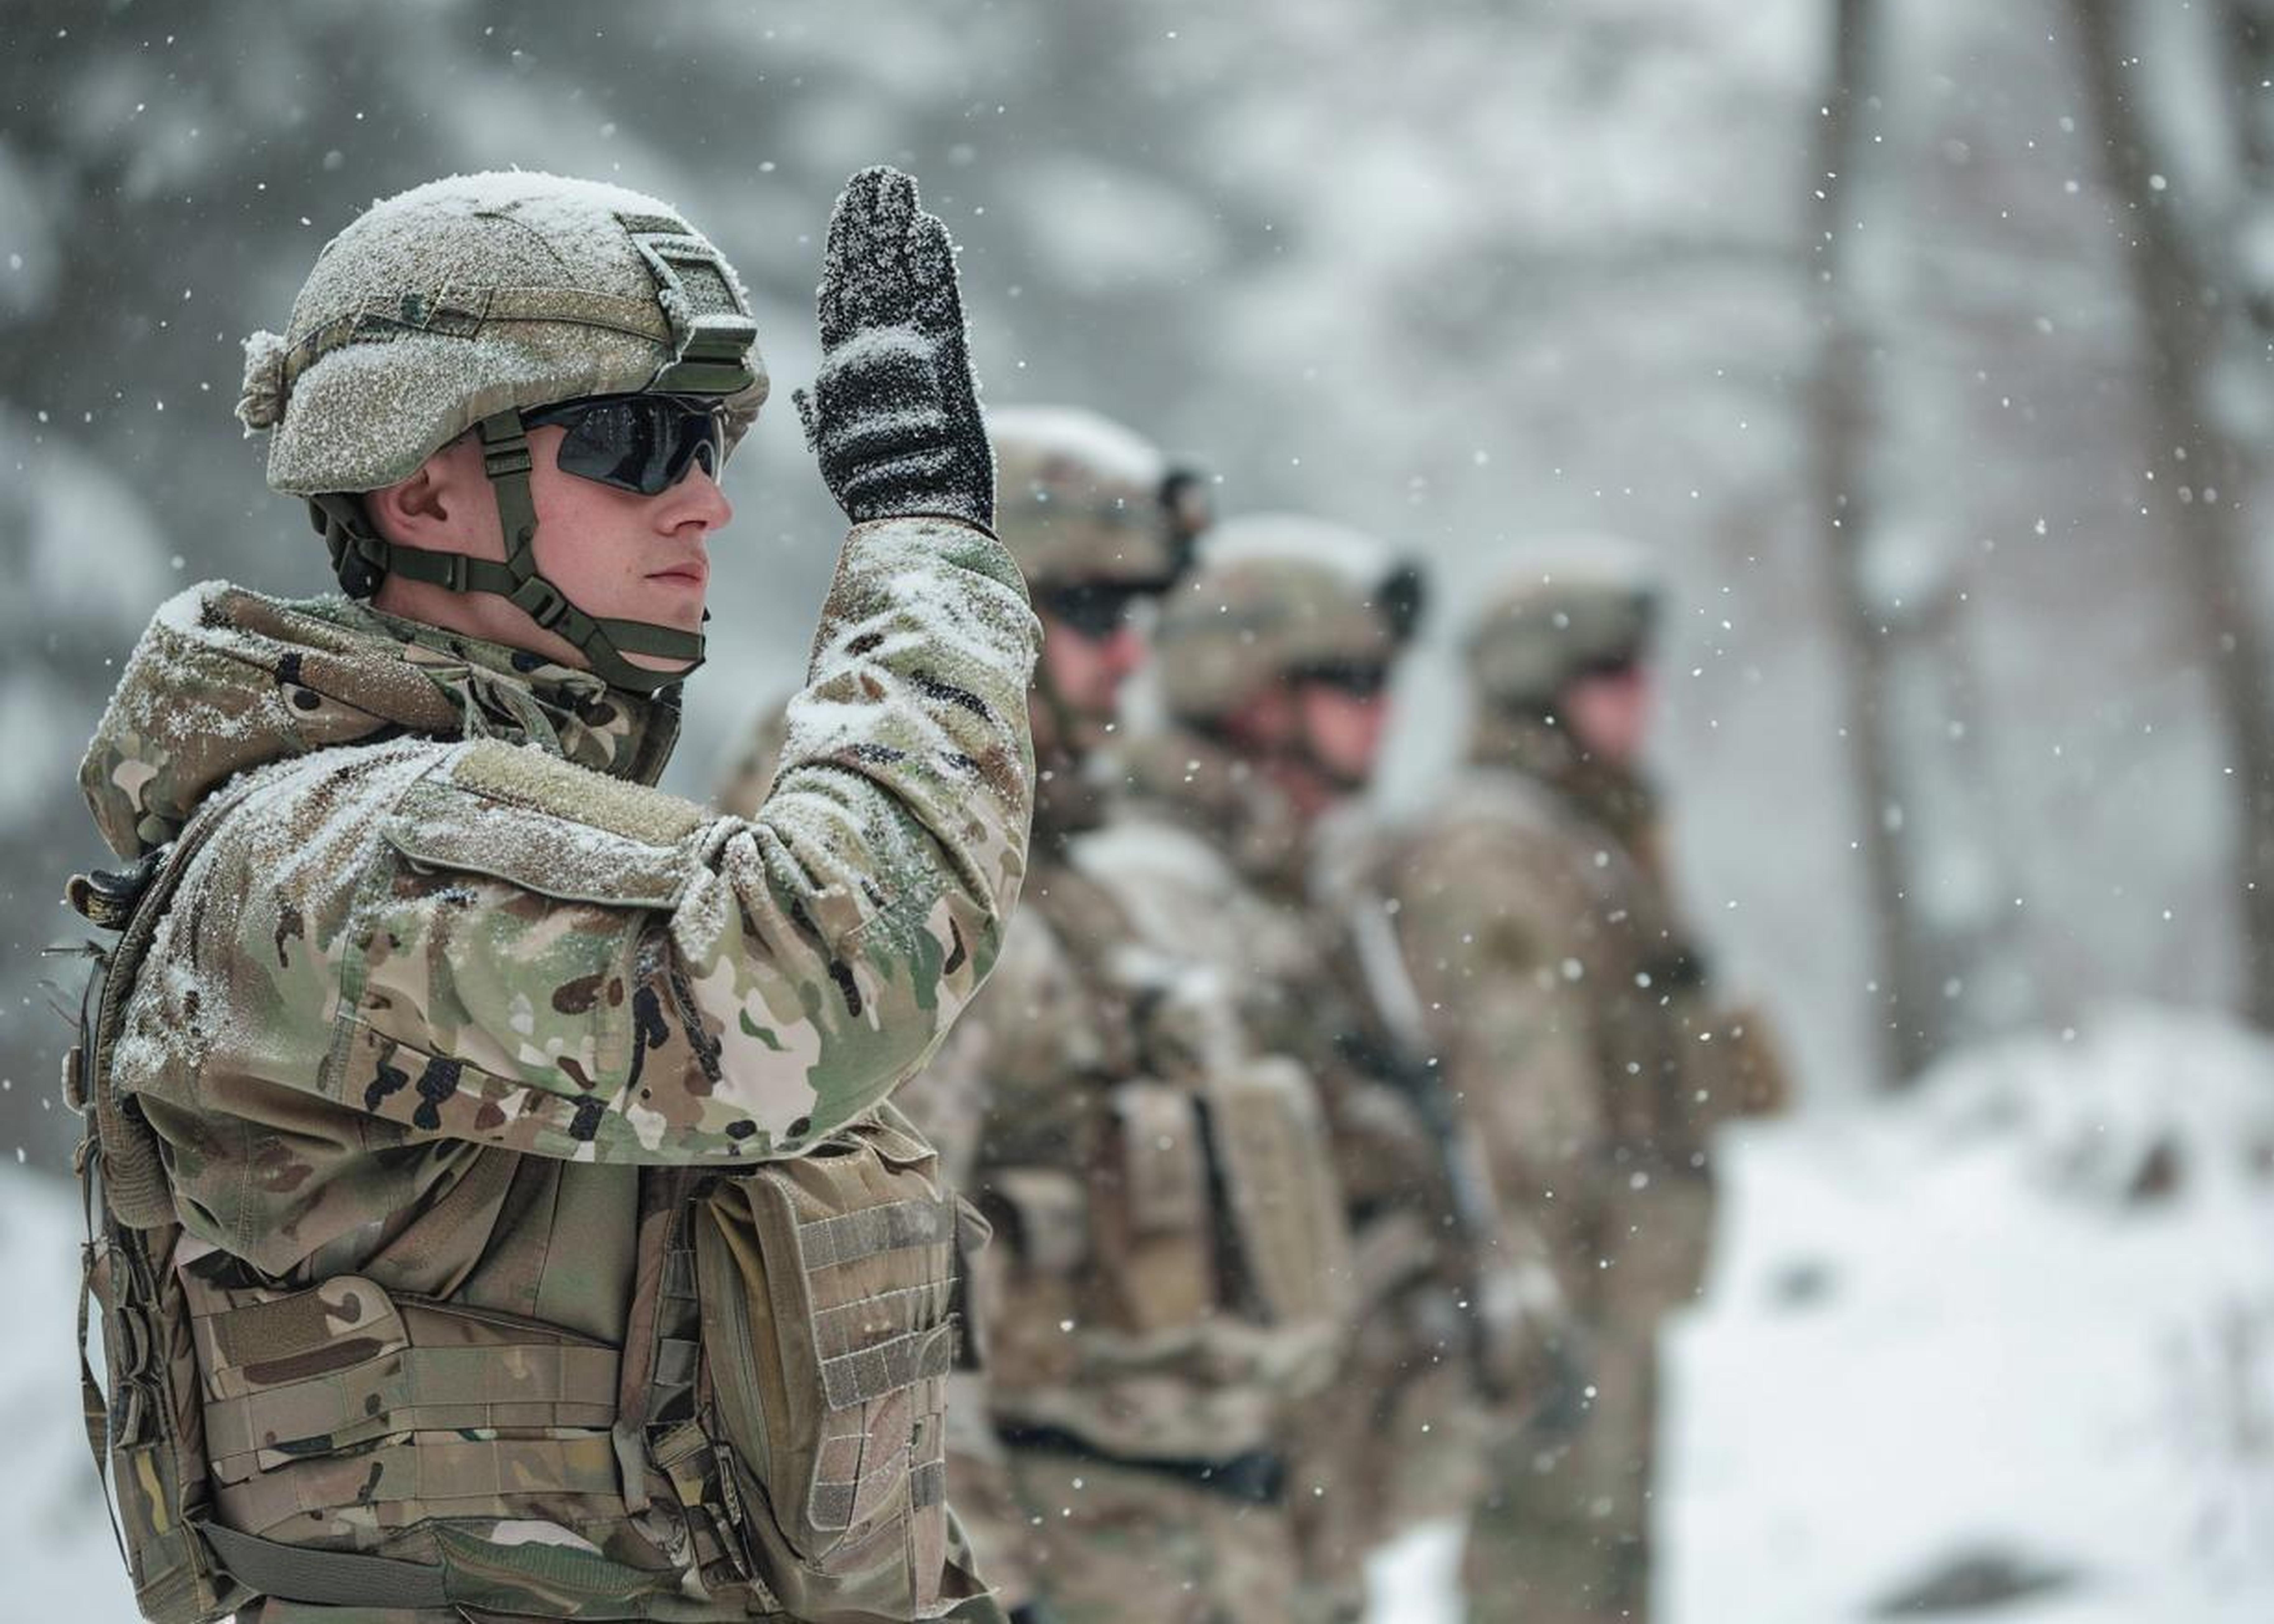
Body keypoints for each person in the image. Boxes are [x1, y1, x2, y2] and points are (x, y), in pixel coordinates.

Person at [65, 166, 1037, 1624]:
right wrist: (923, 545)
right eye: (637, 442)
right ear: (422, 480)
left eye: (705, 443)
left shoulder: (504, 825)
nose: (705, 501)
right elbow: (823, 973)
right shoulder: (339, 849)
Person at [729, 412, 1359, 1624]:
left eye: (1137, 616)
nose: (1129, 657)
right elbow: (868, 1302)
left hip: (1176, 1543)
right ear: (983, 606)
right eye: (1087, 612)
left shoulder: (1064, 866)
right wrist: (970, 1588)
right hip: (1047, 1550)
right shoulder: (902, 868)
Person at [1085, 516, 1550, 1624]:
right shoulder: (1162, 894)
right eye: (1349, 679)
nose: (1382, 710)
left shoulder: (1297, 889)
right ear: (1254, 695)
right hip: (1196, 1514)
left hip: (1303, 1500)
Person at [1383, 542, 1792, 1624]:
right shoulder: (1498, 852)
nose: (1641, 697)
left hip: (1612, 1281)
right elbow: (1517, 1112)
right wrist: (1534, 1302)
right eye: (1612, 675)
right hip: (1563, 1284)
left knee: (1603, 1574)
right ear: (1543, 693)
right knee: (1548, 1573)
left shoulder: (1590, 838)